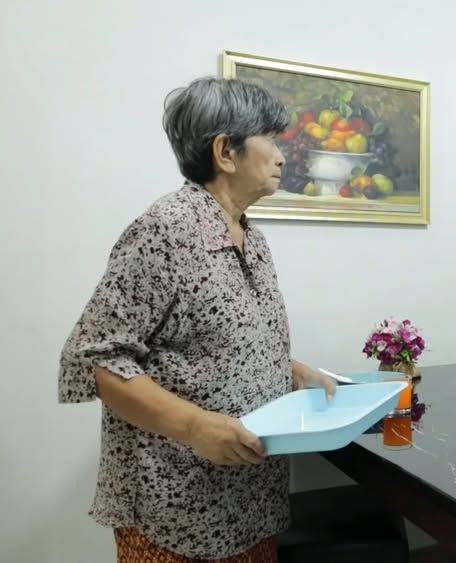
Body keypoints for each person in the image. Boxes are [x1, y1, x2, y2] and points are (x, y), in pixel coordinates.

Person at [58, 77, 337, 563]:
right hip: (178, 510)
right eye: (271, 141)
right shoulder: (166, 231)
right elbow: (97, 360)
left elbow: (218, 342)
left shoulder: (253, 238)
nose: (282, 156)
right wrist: (195, 427)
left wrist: (291, 371)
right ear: (226, 152)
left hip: (249, 500)